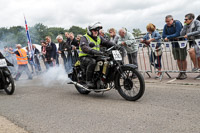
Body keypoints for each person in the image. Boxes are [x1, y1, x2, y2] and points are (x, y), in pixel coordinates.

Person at [79, 22, 115, 88]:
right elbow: (84, 47)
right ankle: (88, 81)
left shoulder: (99, 38)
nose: (96, 32)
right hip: (85, 56)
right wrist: (92, 51)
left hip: (95, 55)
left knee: (106, 60)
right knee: (92, 62)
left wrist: (116, 45)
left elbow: (107, 42)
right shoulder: (84, 38)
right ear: (90, 31)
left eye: (97, 30)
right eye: (94, 30)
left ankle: (102, 78)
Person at [162, 15, 187, 80]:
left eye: (168, 21)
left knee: (183, 58)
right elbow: (163, 35)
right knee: (178, 59)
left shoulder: (177, 23)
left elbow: (178, 33)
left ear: (172, 19)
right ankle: (180, 72)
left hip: (181, 43)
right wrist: (171, 37)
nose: (167, 23)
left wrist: (168, 37)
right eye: (166, 21)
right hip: (174, 44)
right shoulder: (166, 26)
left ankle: (184, 72)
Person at [180, 13, 200, 79]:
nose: (185, 20)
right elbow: (182, 34)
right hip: (193, 43)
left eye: (186, 19)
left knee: (195, 54)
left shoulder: (196, 22)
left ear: (191, 19)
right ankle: (196, 67)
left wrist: (189, 34)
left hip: (198, 41)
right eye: (184, 19)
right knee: (196, 56)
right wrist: (185, 25)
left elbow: (199, 31)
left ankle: (196, 67)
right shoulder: (187, 25)